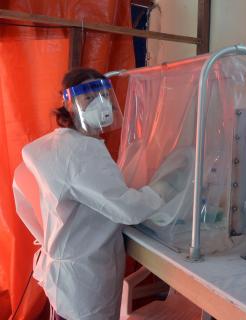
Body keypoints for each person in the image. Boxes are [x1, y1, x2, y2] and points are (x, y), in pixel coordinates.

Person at [12, 68, 177, 320]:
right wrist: (162, 190)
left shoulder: (57, 144)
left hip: (65, 275)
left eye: (103, 94)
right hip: (84, 281)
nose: (100, 103)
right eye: (88, 97)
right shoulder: (83, 153)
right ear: (68, 102)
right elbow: (127, 209)